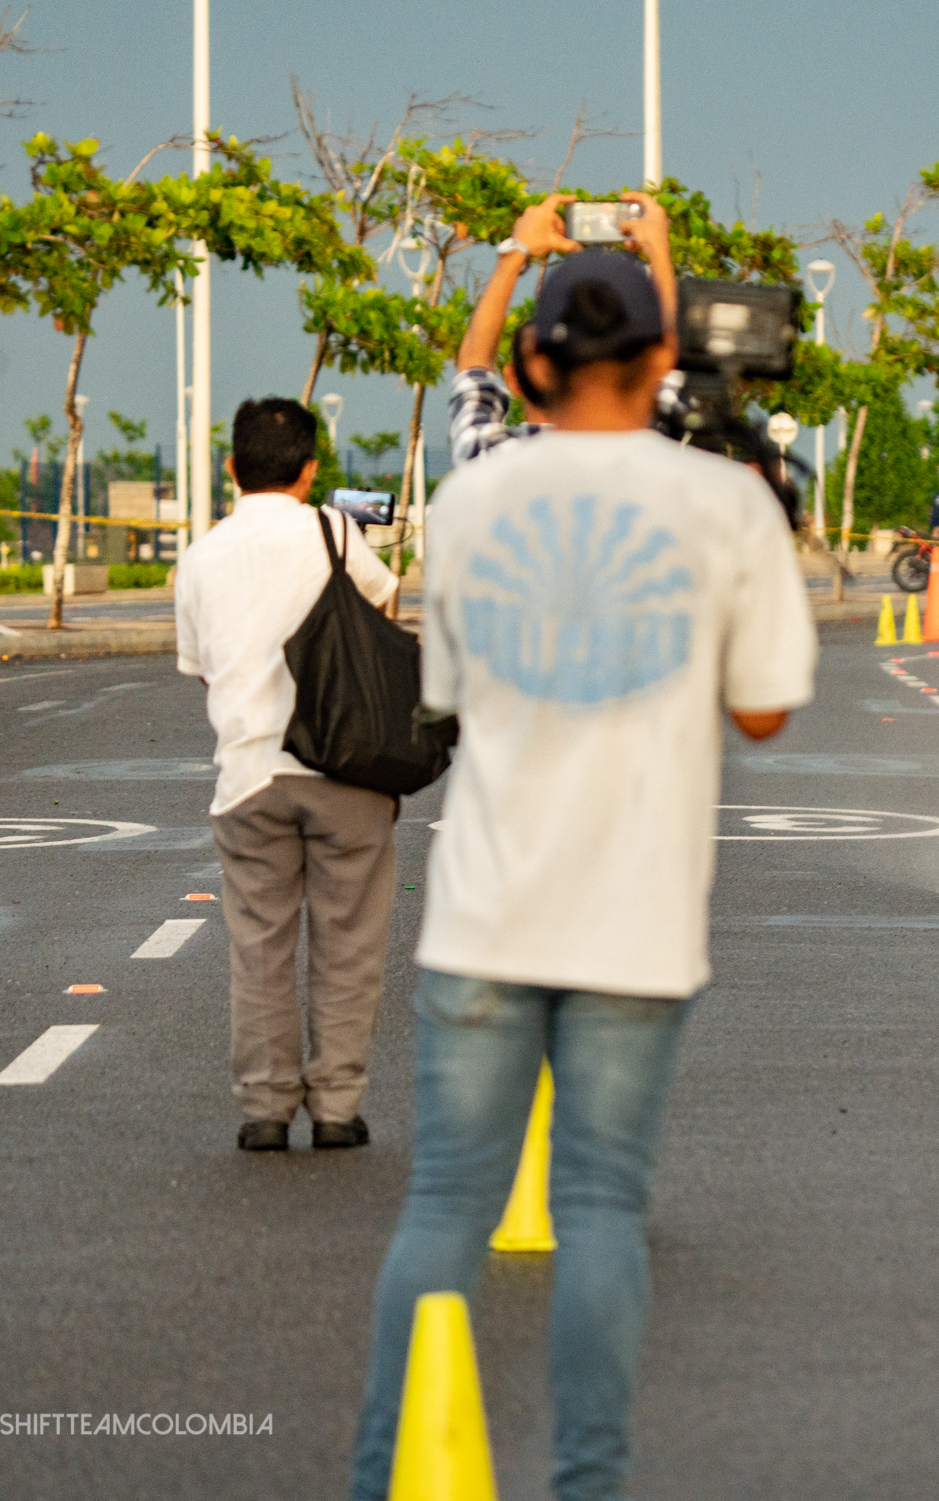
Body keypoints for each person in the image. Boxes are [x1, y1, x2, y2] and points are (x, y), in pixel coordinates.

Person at [349, 240, 817, 1501]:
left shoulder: (471, 502)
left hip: (485, 918)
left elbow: (445, 692)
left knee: (440, 1214)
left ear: (534, 362)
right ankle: (589, 1484)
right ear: (665, 355)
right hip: (638, 925)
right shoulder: (724, 505)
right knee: (603, 1215)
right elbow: (767, 709)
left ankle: (374, 1474)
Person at [174, 397, 402, 1153]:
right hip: (347, 769)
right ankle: (337, 1105)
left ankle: (266, 1107)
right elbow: (383, 602)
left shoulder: (200, 556)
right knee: (349, 942)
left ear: (232, 468)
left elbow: (204, 672)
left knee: (260, 945)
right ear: (310, 471)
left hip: (249, 777)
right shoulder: (335, 531)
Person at [446, 192, 679, 468]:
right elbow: (671, 362)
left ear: (534, 369)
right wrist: (658, 250)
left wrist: (515, 252)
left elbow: (473, 369)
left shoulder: (488, 460)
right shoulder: (666, 454)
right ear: (656, 362)